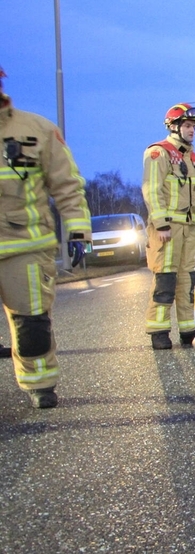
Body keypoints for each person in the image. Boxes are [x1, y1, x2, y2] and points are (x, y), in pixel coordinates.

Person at [0, 65, 92, 408]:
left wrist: (78, 230)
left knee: (31, 324)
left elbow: (67, 185)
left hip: (25, 247)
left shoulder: (36, 130)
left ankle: (40, 384)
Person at [142, 103, 195, 350]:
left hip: (189, 230)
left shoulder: (193, 159)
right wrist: (160, 224)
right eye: (187, 125)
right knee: (165, 281)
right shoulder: (158, 153)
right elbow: (152, 189)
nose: (192, 130)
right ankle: (158, 331)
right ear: (174, 126)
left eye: (194, 126)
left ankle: (187, 330)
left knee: (189, 282)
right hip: (167, 231)